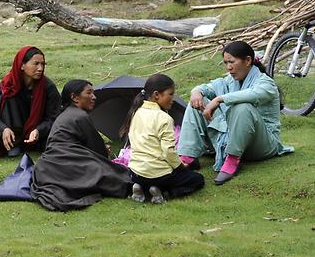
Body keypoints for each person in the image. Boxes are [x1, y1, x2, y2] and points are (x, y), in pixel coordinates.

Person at [177, 40, 294, 185]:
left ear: (248, 61)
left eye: (231, 62)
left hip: (263, 145)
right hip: (233, 134)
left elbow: (252, 94)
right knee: (197, 103)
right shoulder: (230, 80)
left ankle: (232, 160)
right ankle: (188, 156)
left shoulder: (266, 83)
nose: (228, 67)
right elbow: (207, 87)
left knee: (242, 106)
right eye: (226, 63)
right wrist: (196, 92)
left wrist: (219, 99)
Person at [30, 80, 133, 211]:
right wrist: (104, 153)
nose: (94, 97)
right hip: (65, 162)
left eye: (93, 93)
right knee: (110, 173)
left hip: (47, 168)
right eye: (89, 93)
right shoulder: (80, 116)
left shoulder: (66, 114)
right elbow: (97, 149)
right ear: (74, 97)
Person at [121, 74, 204, 204]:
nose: (173, 99)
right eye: (170, 94)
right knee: (197, 179)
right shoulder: (163, 118)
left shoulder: (136, 112)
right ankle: (164, 190)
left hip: (134, 172)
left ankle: (141, 186)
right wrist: (180, 166)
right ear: (156, 95)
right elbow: (168, 151)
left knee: (151, 176)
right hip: (157, 174)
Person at [0, 46, 61, 158]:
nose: (40, 68)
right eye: (36, 64)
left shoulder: (48, 87)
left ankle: (34, 143)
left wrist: (39, 130)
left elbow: (54, 117)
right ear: (22, 65)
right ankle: (14, 143)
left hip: (39, 134)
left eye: (43, 64)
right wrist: (3, 129)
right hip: (13, 134)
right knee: (9, 97)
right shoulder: (7, 85)